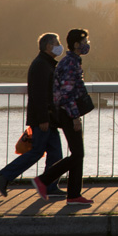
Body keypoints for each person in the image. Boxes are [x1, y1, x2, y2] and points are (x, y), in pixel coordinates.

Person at [0, 32, 64, 198]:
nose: (60, 46)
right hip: (44, 119)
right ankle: (5, 175)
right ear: (49, 46)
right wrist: (43, 119)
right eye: (57, 43)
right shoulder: (41, 65)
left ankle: (50, 186)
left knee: (56, 154)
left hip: (49, 118)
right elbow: (38, 94)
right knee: (37, 151)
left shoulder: (45, 63)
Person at [34, 27, 93, 205]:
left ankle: (74, 195)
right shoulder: (70, 64)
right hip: (68, 114)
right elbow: (67, 94)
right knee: (77, 154)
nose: (87, 45)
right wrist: (75, 117)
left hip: (69, 113)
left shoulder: (72, 61)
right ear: (76, 45)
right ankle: (44, 180)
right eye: (84, 43)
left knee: (77, 154)